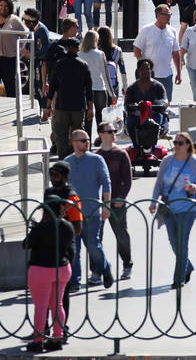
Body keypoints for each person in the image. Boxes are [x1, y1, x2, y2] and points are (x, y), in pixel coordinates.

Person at [149, 134, 196, 288]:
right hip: (169, 207)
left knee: (182, 243)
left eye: (180, 143)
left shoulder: (194, 162)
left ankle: (179, 279)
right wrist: (153, 201)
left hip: (188, 208)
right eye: (175, 142)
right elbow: (159, 182)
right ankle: (187, 266)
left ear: (188, 145)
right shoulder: (167, 161)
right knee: (173, 242)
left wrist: (195, 187)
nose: (176, 145)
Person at [24, 189, 77, 352]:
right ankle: (57, 338)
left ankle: (38, 340)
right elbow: (70, 248)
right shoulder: (68, 227)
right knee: (58, 304)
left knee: (41, 306)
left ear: (46, 211)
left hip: (41, 270)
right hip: (62, 269)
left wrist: (36, 227)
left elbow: (26, 244)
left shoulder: (41, 228)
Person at [65, 129, 114, 290]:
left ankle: (105, 270)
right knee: (74, 250)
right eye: (83, 140)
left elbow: (106, 183)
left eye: (87, 140)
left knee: (94, 246)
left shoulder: (97, 160)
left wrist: (106, 205)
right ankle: (74, 282)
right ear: (74, 143)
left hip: (92, 212)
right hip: (72, 216)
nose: (87, 142)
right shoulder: (67, 162)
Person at [95, 122, 133, 280]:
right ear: (101, 134)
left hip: (117, 202)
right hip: (99, 203)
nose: (113, 133)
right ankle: (97, 270)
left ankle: (127, 264)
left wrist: (122, 198)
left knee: (121, 235)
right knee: (97, 238)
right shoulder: (96, 156)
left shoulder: (121, 154)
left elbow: (128, 179)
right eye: (109, 131)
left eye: (114, 131)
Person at [133, 5, 182, 102]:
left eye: (170, 14)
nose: (169, 16)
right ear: (158, 15)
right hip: (149, 75)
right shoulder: (146, 30)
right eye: (166, 14)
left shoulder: (172, 31)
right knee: (148, 104)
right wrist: (142, 65)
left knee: (165, 103)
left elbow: (176, 53)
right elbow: (137, 48)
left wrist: (179, 72)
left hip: (167, 75)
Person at [80, 31, 116, 137]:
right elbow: (106, 75)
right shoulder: (100, 54)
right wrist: (112, 93)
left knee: (87, 119)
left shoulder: (79, 54)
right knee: (101, 119)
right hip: (100, 88)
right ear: (96, 40)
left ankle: (87, 143)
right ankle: (102, 141)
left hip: (86, 90)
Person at [0, 0, 26, 98]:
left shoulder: (14, 20)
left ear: (10, 8)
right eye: (1, 5)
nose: (3, 8)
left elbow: (25, 35)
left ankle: (13, 106)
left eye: (6, 6)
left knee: (10, 85)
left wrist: (21, 49)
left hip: (9, 58)